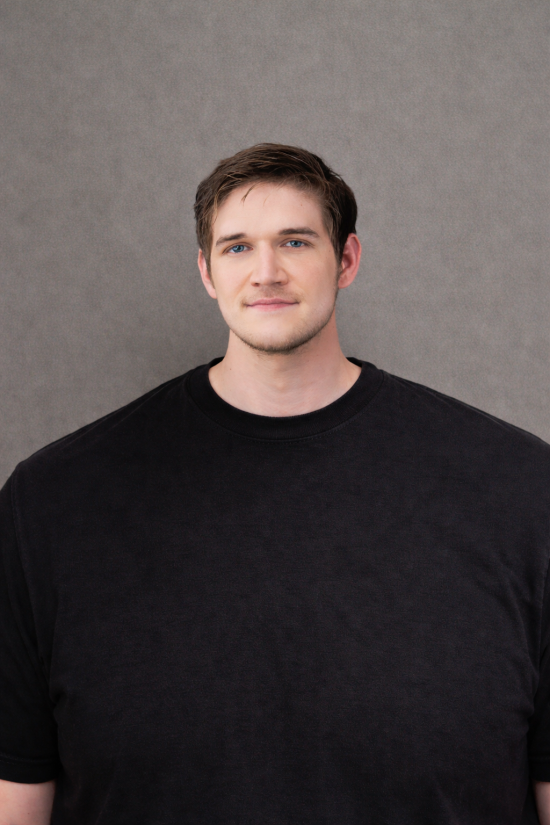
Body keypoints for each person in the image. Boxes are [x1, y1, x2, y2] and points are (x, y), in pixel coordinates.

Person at [1, 143, 550, 825]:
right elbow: (15, 798)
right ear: (206, 272)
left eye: (295, 241)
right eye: (237, 247)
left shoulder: (520, 491)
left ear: (346, 259)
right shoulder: (53, 503)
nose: (267, 272)